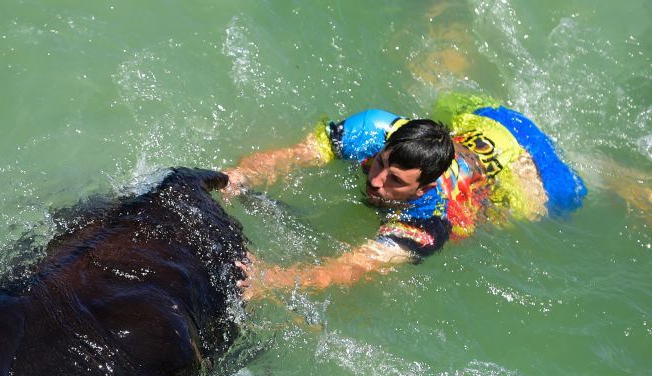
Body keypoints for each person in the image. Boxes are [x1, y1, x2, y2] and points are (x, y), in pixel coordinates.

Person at [223, 93, 589, 298]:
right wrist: (237, 177)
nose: (377, 182)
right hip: (489, 120)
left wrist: (272, 281)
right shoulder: (375, 129)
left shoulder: (429, 220)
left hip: (526, 176)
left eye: (396, 180)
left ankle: (626, 183)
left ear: (423, 188)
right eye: (380, 163)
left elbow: (351, 267)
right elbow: (293, 155)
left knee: (557, 204)